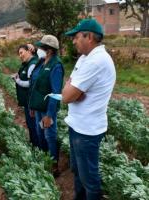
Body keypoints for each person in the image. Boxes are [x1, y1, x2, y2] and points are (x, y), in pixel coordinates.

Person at [62, 19, 116, 200]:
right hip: (78, 125)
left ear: (90, 37)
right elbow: (69, 89)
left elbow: (67, 96)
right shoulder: (85, 58)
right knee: (78, 171)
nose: (73, 41)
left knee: (89, 180)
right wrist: (73, 90)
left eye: (76, 37)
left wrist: (73, 91)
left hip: (86, 130)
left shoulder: (96, 61)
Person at [29, 35, 64, 176]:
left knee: (50, 135)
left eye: (41, 47)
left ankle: (54, 165)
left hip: (47, 110)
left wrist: (49, 115)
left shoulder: (56, 66)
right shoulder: (42, 62)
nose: (38, 50)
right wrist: (32, 106)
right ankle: (45, 161)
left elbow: (55, 93)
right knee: (40, 134)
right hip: (39, 108)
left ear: (49, 50)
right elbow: (36, 86)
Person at [12, 44, 39, 147]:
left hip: (31, 101)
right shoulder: (28, 63)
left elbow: (30, 83)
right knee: (31, 124)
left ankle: (36, 146)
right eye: (19, 54)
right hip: (28, 101)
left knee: (33, 125)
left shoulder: (32, 64)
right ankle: (34, 144)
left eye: (21, 52)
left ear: (29, 51)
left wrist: (17, 80)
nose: (20, 55)